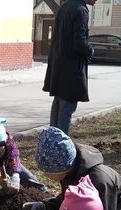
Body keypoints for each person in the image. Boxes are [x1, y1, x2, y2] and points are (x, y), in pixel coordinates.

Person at [43, 0, 96, 136]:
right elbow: (79, 43)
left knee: (57, 107)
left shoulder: (65, 6)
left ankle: (51, 145)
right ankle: (61, 149)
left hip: (58, 67)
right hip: (71, 69)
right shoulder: (81, 10)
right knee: (66, 110)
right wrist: (90, 50)